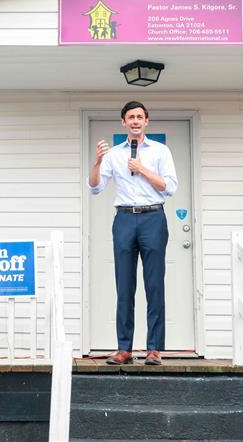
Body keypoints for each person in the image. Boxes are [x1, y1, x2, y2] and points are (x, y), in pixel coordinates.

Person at [88, 101, 178, 365]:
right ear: (123, 122)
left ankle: (154, 349)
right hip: (125, 219)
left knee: (154, 285)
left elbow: (170, 187)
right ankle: (124, 348)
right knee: (124, 286)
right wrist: (97, 163)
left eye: (140, 116)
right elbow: (94, 187)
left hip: (153, 217)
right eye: (131, 117)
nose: (136, 121)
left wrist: (143, 169)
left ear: (146, 121)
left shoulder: (160, 151)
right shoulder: (114, 154)